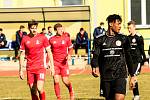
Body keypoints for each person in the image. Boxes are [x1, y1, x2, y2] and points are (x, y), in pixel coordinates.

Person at [91, 14, 136, 100]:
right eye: (118, 24)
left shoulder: (124, 38)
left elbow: (128, 57)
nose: (120, 26)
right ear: (111, 24)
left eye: (120, 24)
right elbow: (96, 55)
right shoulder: (99, 39)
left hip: (120, 75)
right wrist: (94, 66)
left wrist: (132, 75)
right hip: (106, 76)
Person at [19, 19, 54, 100]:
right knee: (33, 91)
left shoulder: (43, 37)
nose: (34, 29)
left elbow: (49, 51)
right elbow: (22, 54)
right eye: (32, 28)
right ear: (29, 28)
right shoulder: (25, 39)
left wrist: (52, 66)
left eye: (35, 28)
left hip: (40, 67)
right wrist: (21, 69)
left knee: (39, 88)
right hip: (30, 68)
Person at [49, 23, 74, 100]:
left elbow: (71, 48)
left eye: (62, 29)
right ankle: (58, 98)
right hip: (55, 63)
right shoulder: (51, 39)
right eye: (59, 29)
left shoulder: (66, 38)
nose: (61, 30)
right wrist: (48, 62)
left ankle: (71, 90)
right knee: (56, 80)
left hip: (64, 63)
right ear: (56, 30)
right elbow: (49, 51)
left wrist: (69, 55)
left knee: (65, 81)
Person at [127, 20, 148, 100]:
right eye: (128, 28)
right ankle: (136, 95)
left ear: (134, 27)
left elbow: (142, 50)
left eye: (130, 28)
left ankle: (137, 96)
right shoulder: (128, 38)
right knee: (132, 77)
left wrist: (145, 60)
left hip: (138, 61)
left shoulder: (139, 37)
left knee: (134, 76)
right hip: (131, 62)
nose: (129, 30)